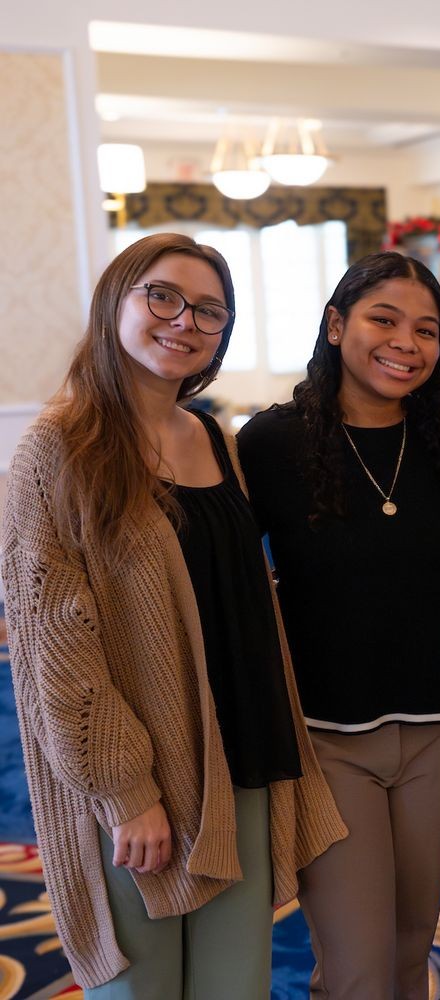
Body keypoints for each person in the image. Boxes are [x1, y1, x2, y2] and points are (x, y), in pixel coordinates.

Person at [0, 233, 345, 998]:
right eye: (163, 295)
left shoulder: (209, 436)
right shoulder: (58, 448)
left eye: (211, 311)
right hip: (141, 776)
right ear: (115, 301)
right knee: (144, 989)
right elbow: (57, 646)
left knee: (236, 985)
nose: (185, 320)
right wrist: (127, 793)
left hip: (241, 753)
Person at [236, 251, 440, 999]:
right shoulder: (271, 442)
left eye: (427, 330)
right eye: (384, 320)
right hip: (327, 739)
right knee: (356, 967)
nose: (406, 343)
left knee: (413, 947)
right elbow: (228, 581)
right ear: (337, 323)